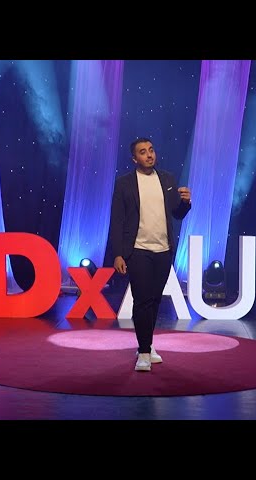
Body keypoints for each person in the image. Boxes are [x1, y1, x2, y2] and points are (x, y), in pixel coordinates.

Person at [108, 137, 191, 371]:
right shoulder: (124, 183)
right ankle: (144, 352)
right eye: (143, 152)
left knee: (154, 301)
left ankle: (147, 344)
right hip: (137, 251)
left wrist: (186, 203)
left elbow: (177, 214)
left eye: (151, 150)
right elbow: (117, 220)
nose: (149, 155)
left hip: (163, 250)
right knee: (142, 300)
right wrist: (118, 254)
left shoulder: (167, 179)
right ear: (135, 158)